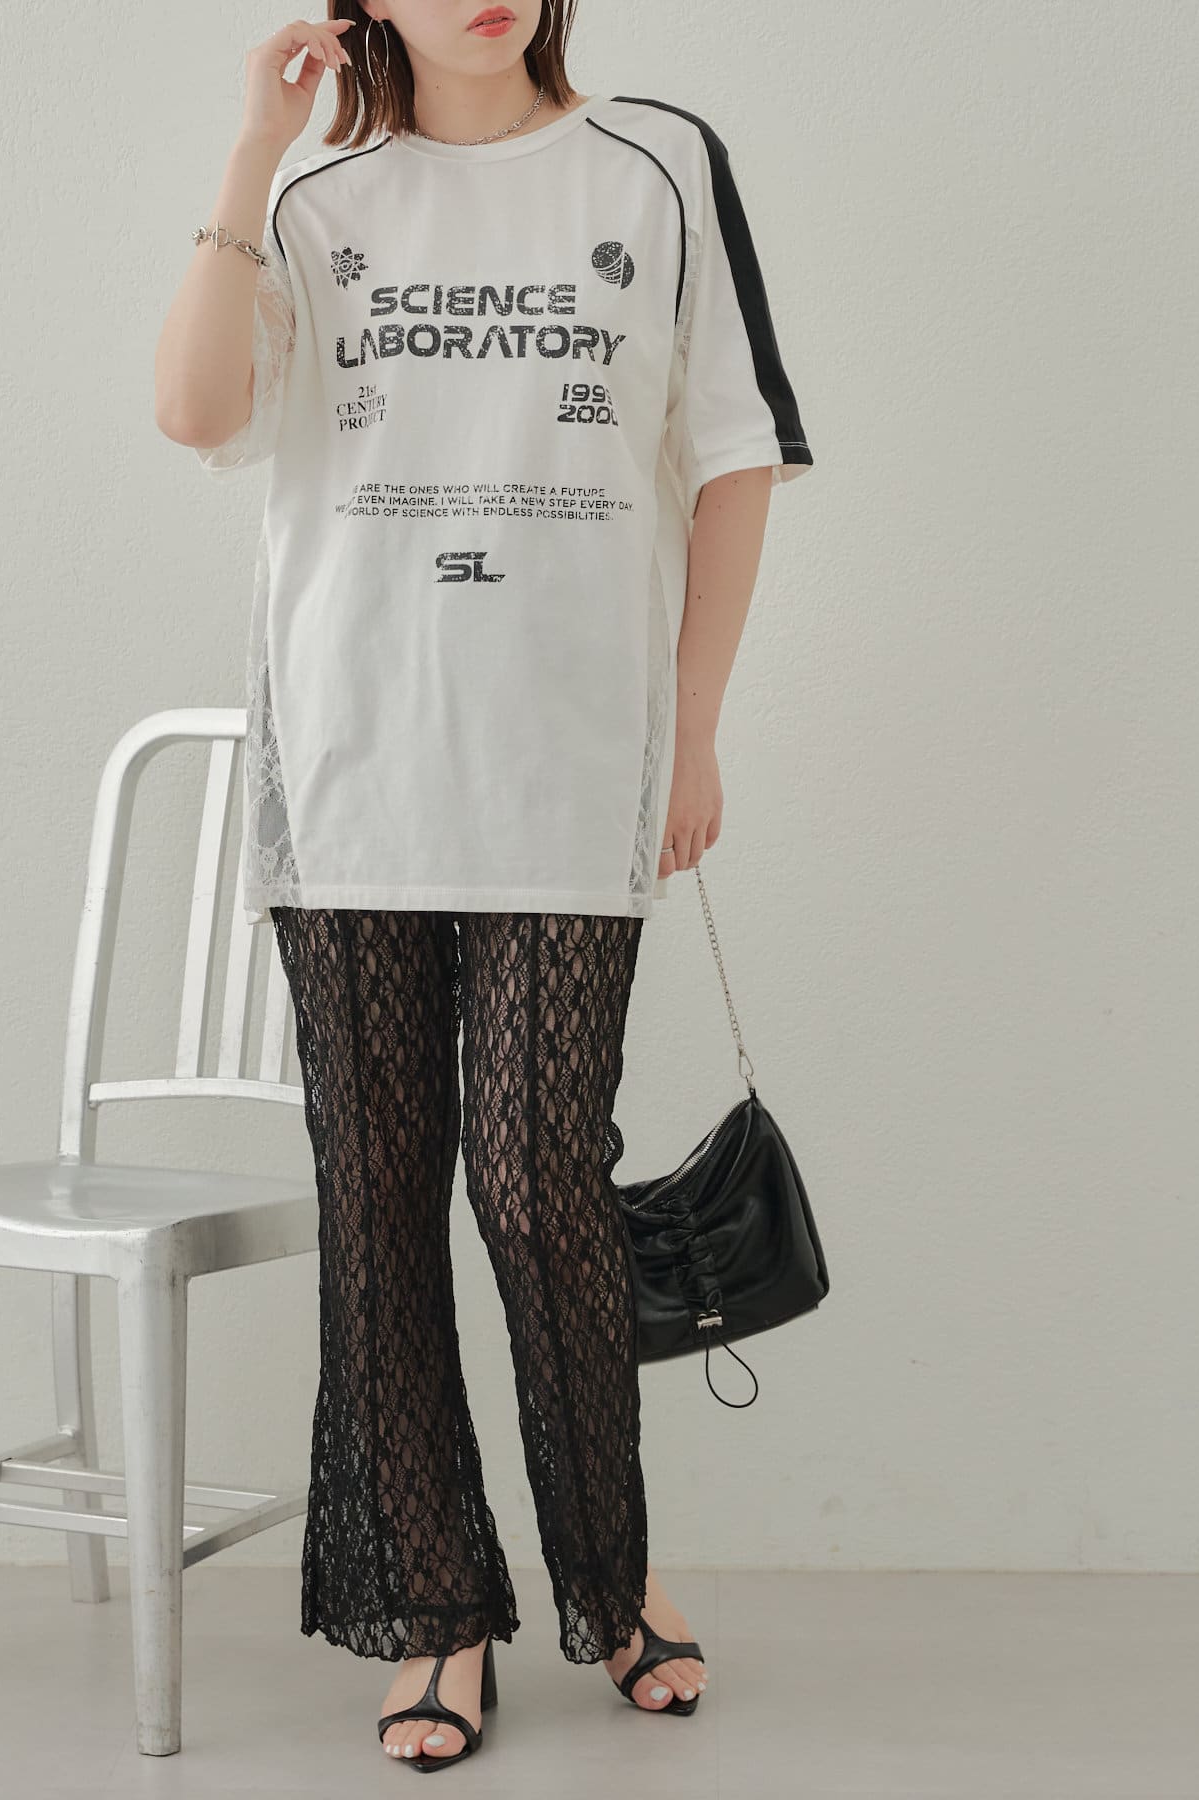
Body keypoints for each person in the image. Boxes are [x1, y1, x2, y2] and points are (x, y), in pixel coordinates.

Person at [154, 0, 814, 1771]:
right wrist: (253, 150)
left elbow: (736, 452)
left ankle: (614, 1577)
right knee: (378, 1201)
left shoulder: (656, 164)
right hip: (354, 764)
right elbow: (194, 410)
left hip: (570, 762)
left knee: (535, 1182)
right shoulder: (318, 201)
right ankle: (432, 1612)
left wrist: (694, 727)